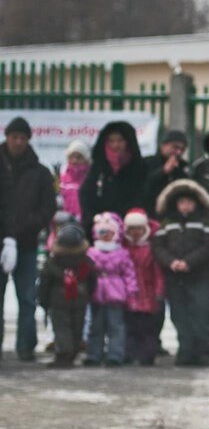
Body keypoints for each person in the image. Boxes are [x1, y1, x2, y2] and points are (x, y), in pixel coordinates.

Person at [0, 116, 57, 361]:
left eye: (23, 138)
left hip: (26, 243)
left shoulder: (40, 172)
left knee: (27, 297)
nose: (18, 142)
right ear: (7, 137)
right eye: (14, 137)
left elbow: (48, 208)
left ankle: (25, 346)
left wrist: (26, 227)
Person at [152, 179, 209, 367]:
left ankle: (206, 352)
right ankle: (186, 351)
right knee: (179, 315)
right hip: (175, 278)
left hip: (200, 276)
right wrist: (171, 262)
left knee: (202, 314)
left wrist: (189, 262)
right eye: (182, 202)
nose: (186, 206)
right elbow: (158, 248)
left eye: (189, 202)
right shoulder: (166, 224)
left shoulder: (206, 223)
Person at [38, 223, 96, 368]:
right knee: (77, 327)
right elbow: (93, 282)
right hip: (80, 299)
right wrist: (88, 296)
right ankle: (71, 354)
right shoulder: (86, 262)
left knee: (61, 328)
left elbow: (44, 283)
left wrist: (43, 301)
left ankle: (63, 355)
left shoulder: (52, 262)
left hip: (58, 301)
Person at [84, 212, 138, 367]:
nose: (106, 235)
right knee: (96, 326)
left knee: (116, 327)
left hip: (116, 294)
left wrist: (131, 291)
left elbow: (129, 274)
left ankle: (115, 355)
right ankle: (94, 354)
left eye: (110, 232)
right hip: (97, 294)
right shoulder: (91, 252)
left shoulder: (122, 253)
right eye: (102, 232)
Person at [79, 121, 149, 230]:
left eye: (120, 140)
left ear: (128, 142)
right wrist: (94, 218)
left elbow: (143, 195)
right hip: (100, 226)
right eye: (111, 141)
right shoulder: (98, 166)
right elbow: (86, 193)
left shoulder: (140, 167)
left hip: (131, 226)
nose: (115, 145)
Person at [122, 209, 165, 366]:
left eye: (138, 229)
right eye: (132, 229)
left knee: (147, 328)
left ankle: (147, 356)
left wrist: (159, 292)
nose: (135, 232)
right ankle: (130, 354)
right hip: (128, 296)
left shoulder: (151, 249)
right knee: (130, 327)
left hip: (148, 294)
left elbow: (158, 273)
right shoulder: (123, 249)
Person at [143, 129, 190, 216]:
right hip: (149, 213)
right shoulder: (148, 162)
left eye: (182, 149)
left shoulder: (183, 168)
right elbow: (144, 187)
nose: (178, 152)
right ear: (163, 146)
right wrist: (163, 171)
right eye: (175, 147)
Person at [59, 139, 91, 221]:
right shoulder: (62, 176)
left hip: (86, 220)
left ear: (85, 159)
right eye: (72, 157)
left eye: (79, 157)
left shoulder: (90, 177)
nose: (75, 160)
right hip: (66, 220)